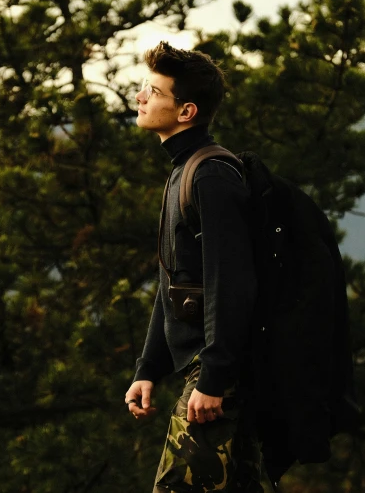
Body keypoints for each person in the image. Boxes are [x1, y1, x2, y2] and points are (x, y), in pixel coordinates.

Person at [124, 41, 263, 492]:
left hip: (217, 373)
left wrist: (216, 378)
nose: (141, 97)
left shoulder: (210, 176)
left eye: (153, 91)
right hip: (207, 369)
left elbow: (232, 283)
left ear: (186, 112)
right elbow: (175, 285)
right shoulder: (183, 171)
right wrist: (149, 368)